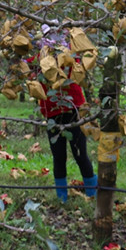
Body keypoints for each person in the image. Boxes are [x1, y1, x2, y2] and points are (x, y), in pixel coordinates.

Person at [31, 25, 97, 202]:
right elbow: (23, 63)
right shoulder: (41, 59)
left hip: (73, 109)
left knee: (80, 154)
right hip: (52, 112)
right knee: (58, 156)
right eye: (49, 37)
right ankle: (62, 197)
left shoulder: (69, 55)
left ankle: (93, 193)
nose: (52, 41)